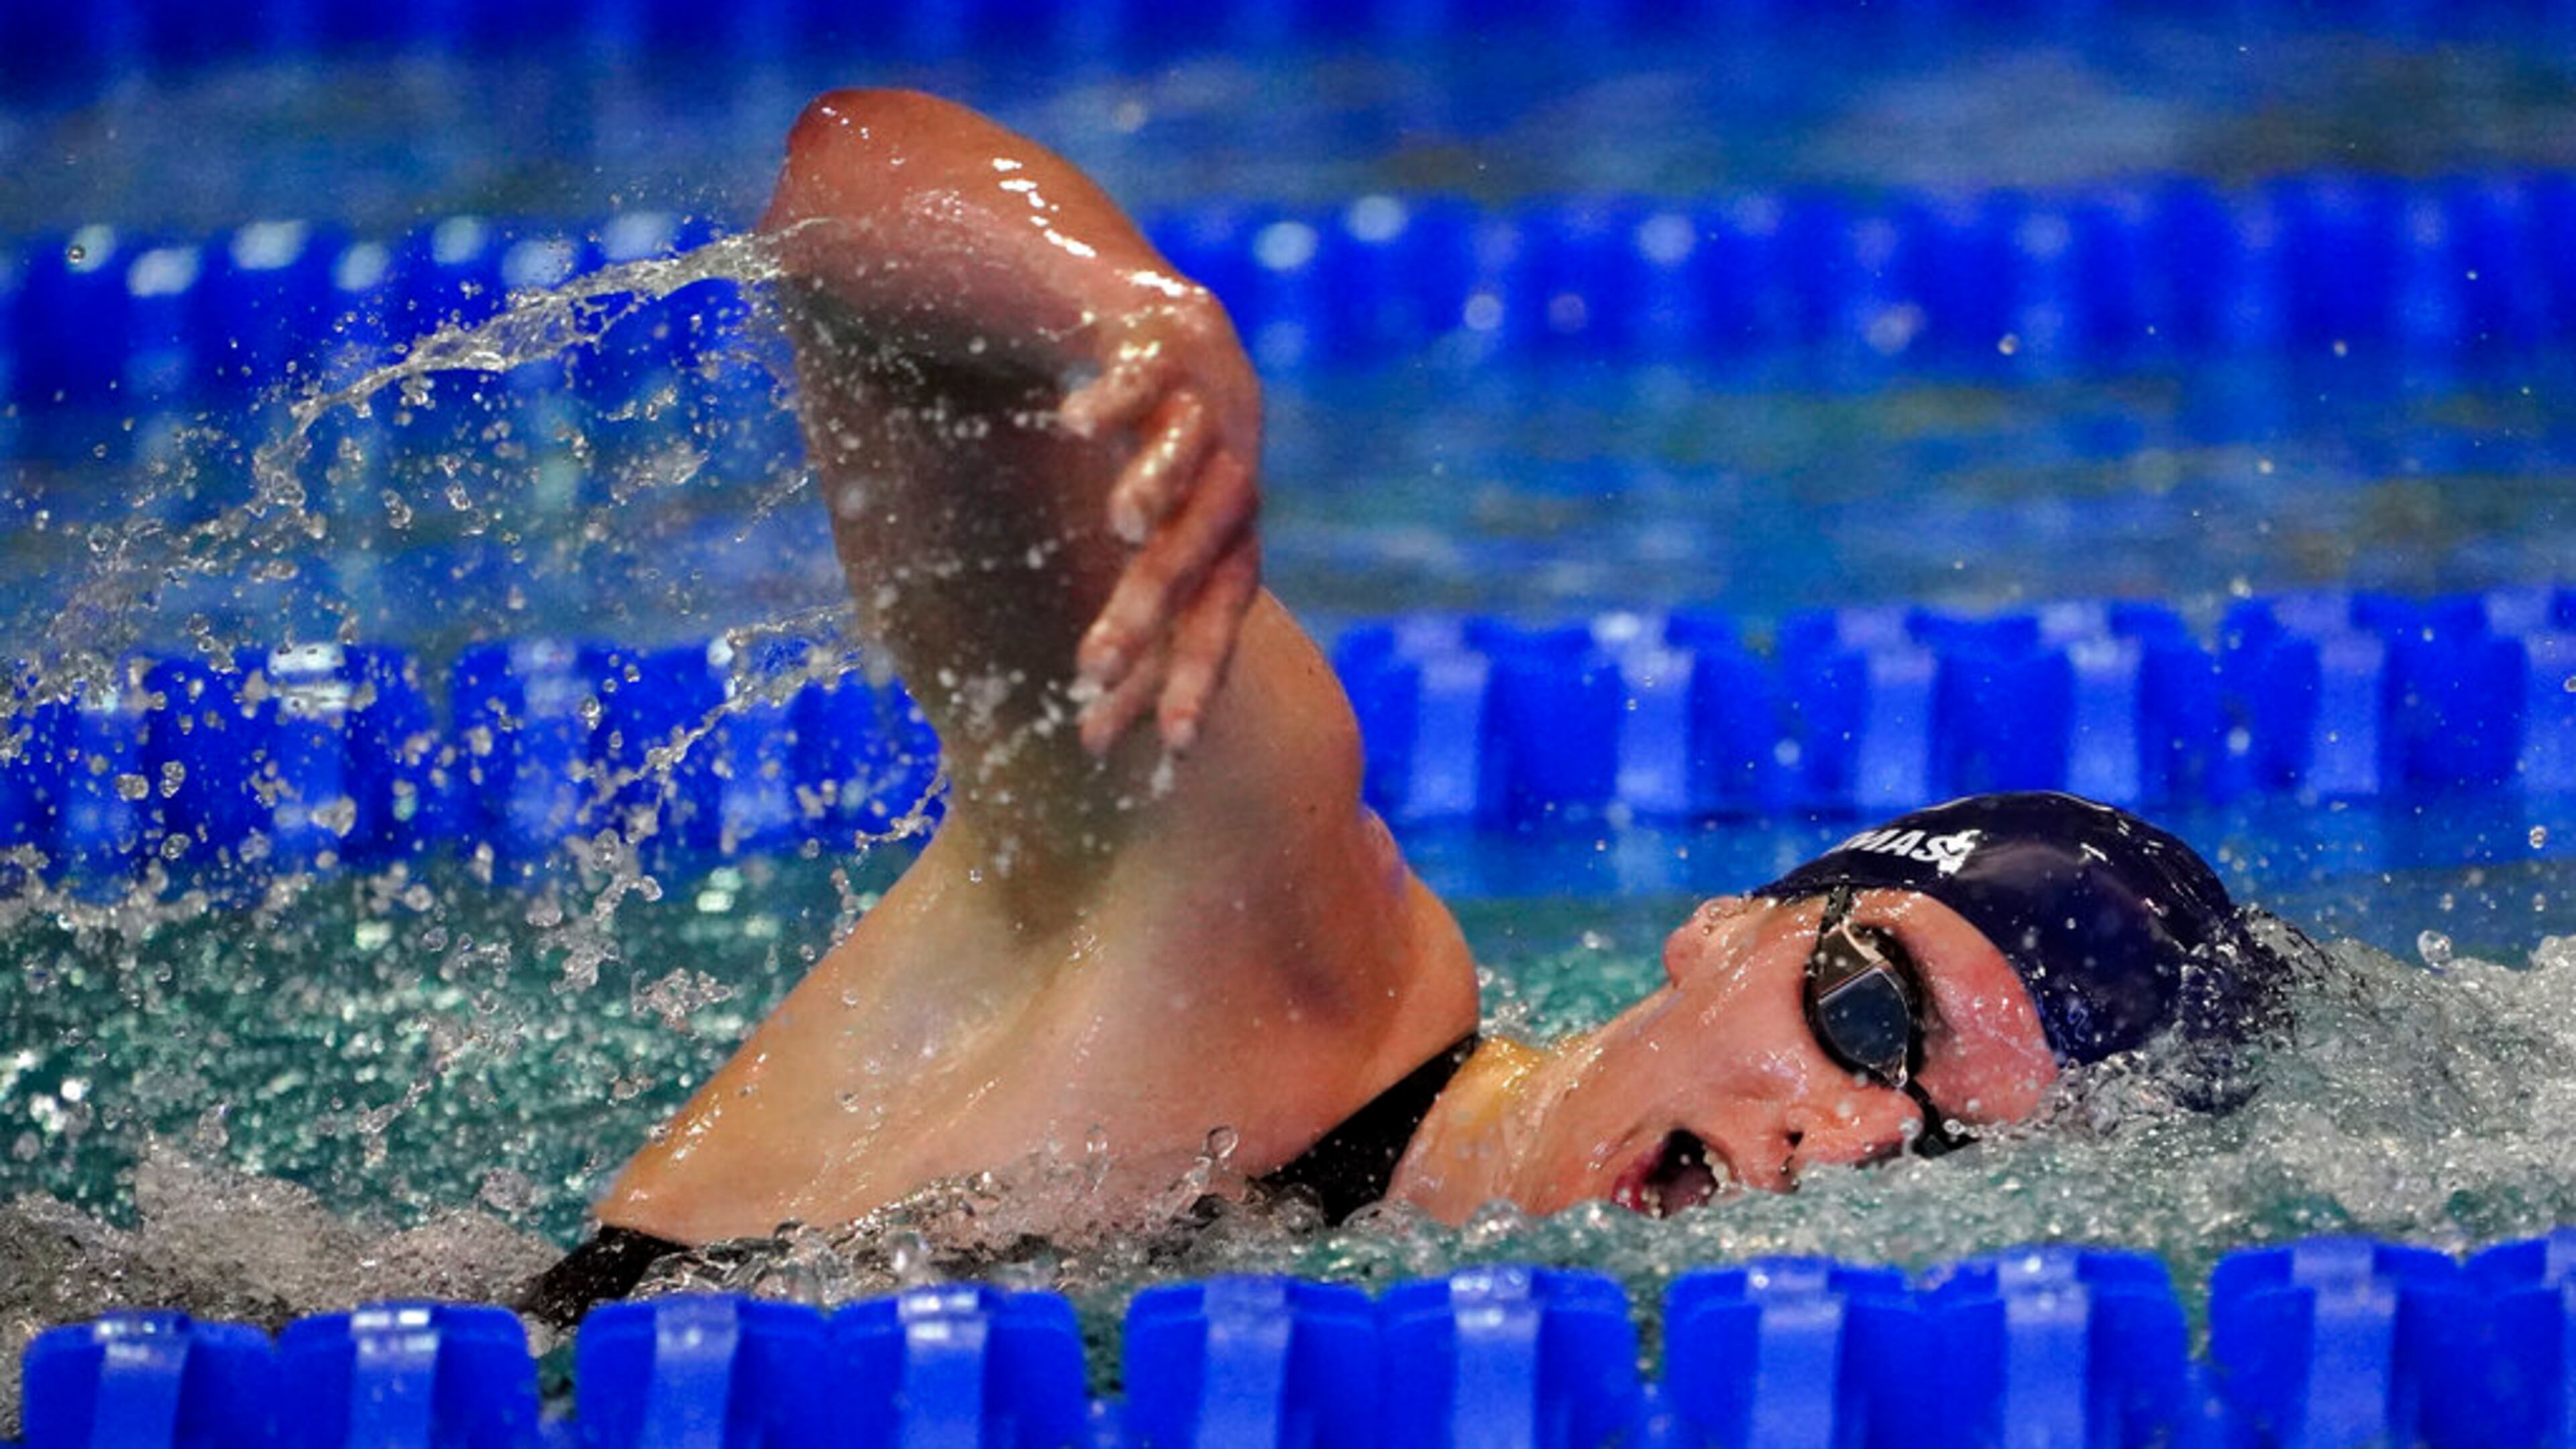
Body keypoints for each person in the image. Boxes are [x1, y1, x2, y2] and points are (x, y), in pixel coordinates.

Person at [518, 89, 2300, 1324]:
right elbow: (846, 183)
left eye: (1939, 1150)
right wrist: (1121, 313)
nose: (1836, 1145)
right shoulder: (1265, 928)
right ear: (1719, 931)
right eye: (1862, 1014)